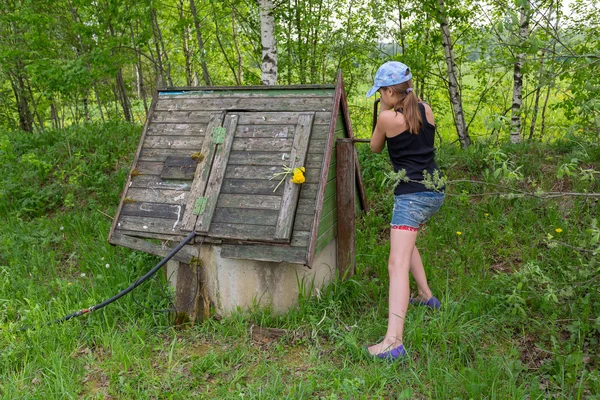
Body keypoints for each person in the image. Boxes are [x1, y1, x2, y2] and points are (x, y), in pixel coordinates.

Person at [365, 61, 445, 360]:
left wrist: (380, 121)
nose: (380, 97)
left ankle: (393, 342)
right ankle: (425, 295)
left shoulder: (387, 118)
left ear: (388, 91)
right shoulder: (426, 109)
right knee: (405, 241)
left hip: (411, 196)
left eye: (380, 92)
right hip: (435, 191)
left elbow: (375, 148)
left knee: (395, 264)